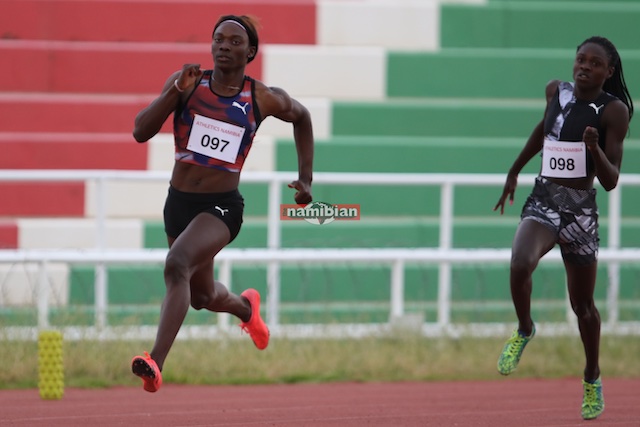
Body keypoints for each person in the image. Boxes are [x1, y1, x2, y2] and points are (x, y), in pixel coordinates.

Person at [130, 14, 314, 393]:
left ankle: (154, 363)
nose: (224, 47)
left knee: (177, 264)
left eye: (233, 41)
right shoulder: (187, 85)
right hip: (178, 204)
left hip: (222, 208)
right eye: (218, 39)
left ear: (250, 52)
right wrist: (172, 93)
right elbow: (140, 131)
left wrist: (305, 178)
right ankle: (247, 309)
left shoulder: (260, 97)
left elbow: (302, 117)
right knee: (201, 296)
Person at [493, 36, 633, 420]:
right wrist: (515, 169)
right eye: (580, 59)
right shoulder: (557, 90)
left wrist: (594, 149)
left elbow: (611, 179)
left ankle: (592, 376)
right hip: (545, 200)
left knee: (583, 307)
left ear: (609, 71)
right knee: (520, 262)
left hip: (580, 214)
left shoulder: (613, 111)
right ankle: (524, 329)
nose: (584, 66)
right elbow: (544, 129)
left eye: (594, 63)